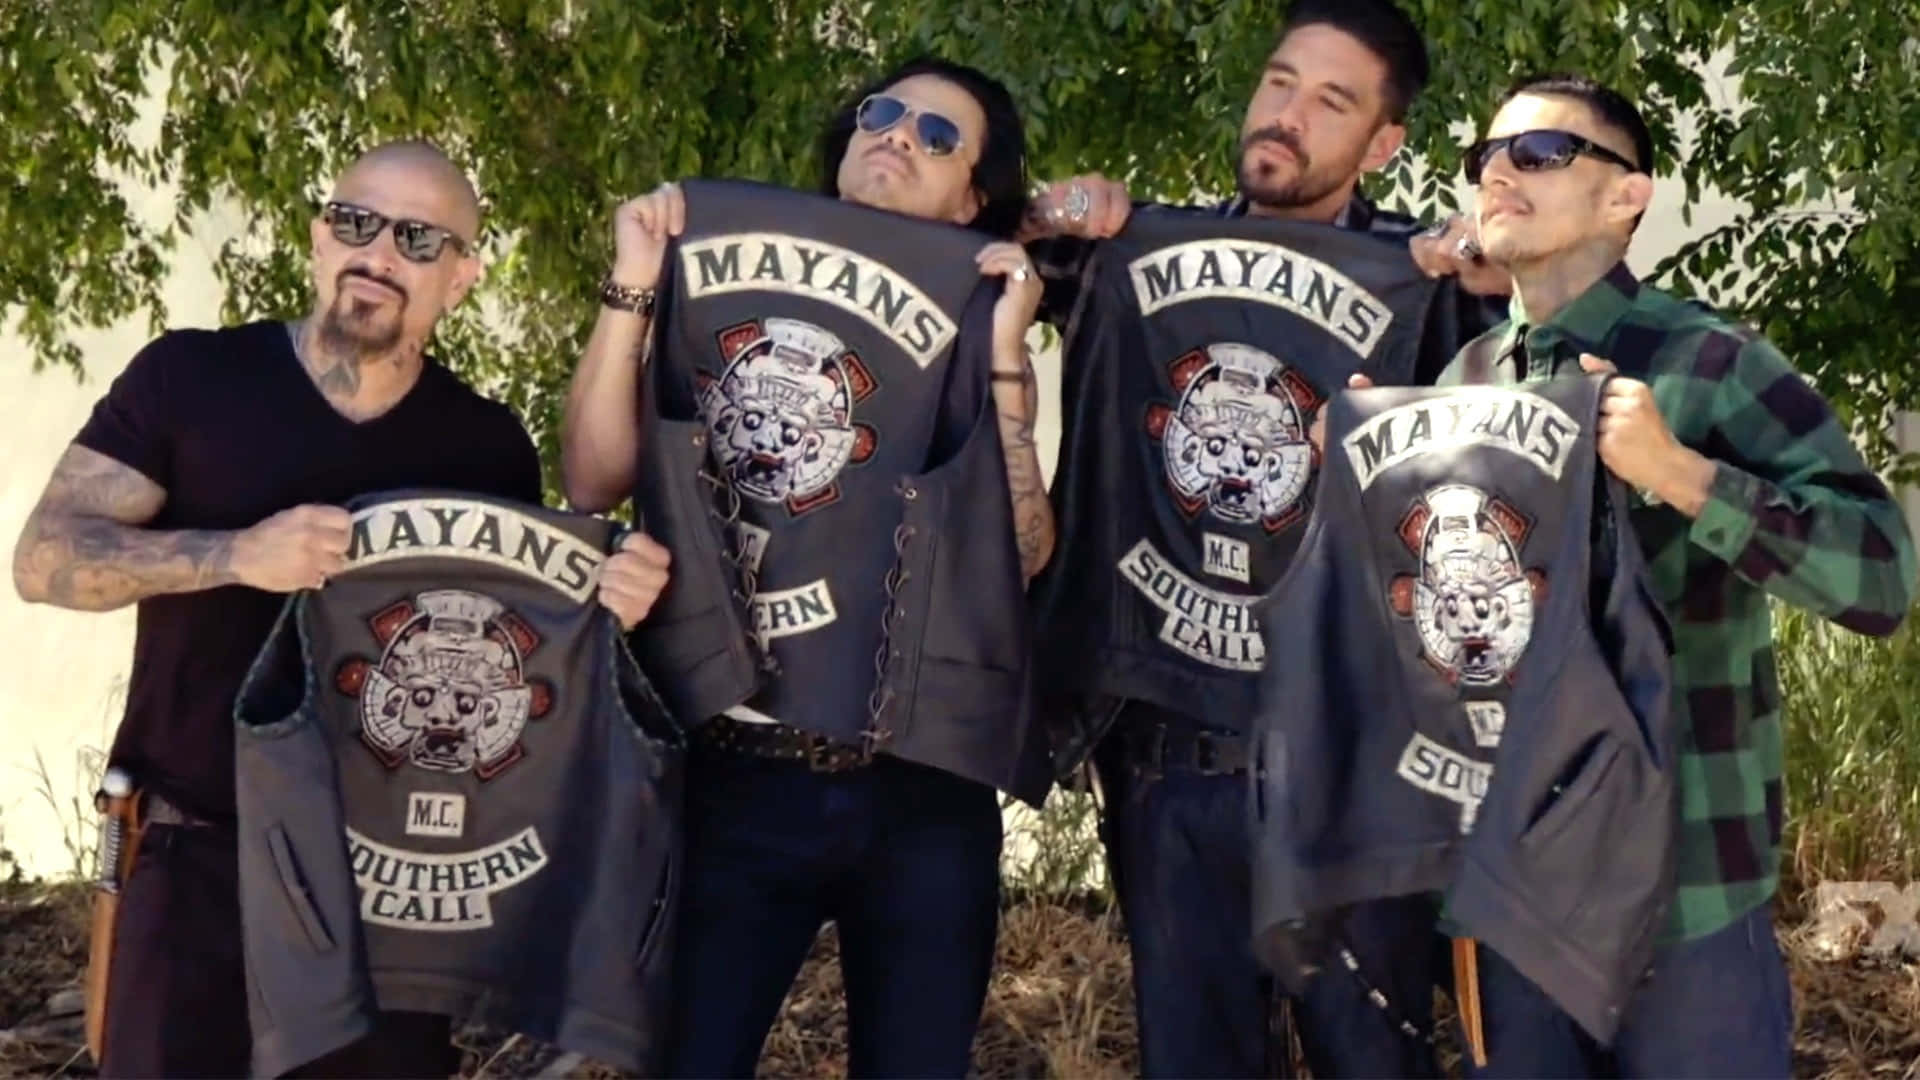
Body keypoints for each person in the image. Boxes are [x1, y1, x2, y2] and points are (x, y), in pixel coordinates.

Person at [11, 140, 672, 1079]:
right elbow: (43, 559)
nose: (378, 253)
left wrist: (612, 607)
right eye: (357, 222)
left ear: (462, 277)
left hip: (393, 885)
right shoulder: (192, 377)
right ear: (321, 237)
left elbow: (524, 666)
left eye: (417, 238)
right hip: (197, 856)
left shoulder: (484, 447)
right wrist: (236, 554)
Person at [1017, 2, 1504, 1075]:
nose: (1287, 114)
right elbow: (963, 249)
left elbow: (1555, 359)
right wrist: (1052, 206)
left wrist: (1498, 264)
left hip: (1356, 777)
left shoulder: (1426, 282)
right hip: (1169, 761)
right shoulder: (1126, 249)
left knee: (1372, 1060)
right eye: (1279, 82)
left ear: (1382, 143)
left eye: (1330, 101)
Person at [559, 58, 1049, 1077]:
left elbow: (1023, 554)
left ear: (974, 198)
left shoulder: (982, 311)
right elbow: (594, 478)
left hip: (920, 783)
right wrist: (634, 280)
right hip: (735, 767)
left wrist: (1007, 353)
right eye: (884, 112)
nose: (899, 134)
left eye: (939, 135)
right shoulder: (714, 261)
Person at [1424, 73, 1917, 1077]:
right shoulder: (1460, 380)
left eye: (1541, 152)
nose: (1500, 172)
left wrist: (1681, 475)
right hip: (1512, 891)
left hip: (1686, 891)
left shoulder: (1713, 363)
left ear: (1626, 195)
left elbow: (1878, 577)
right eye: (1486, 156)